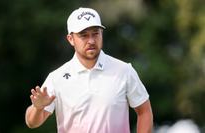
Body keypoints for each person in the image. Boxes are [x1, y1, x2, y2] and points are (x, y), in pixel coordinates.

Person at [25, 7, 153, 133]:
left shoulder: (124, 70)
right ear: (71, 39)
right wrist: (38, 109)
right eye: (83, 35)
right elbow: (32, 123)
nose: (91, 40)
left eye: (95, 33)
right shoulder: (57, 77)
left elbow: (144, 112)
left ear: (101, 34)